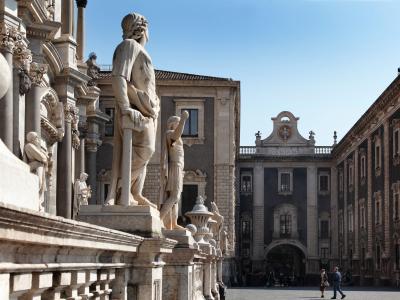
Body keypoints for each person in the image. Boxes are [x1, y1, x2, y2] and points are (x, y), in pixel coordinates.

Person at [106, 12, 159, 207]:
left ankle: (134, 192)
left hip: (147, 110)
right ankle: (122, 188)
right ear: (142, 29)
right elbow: (119, 77)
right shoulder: (129, 46)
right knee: (146, 149)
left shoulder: (138, 49)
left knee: (145, 154)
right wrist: (126, 107)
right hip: (136, 110)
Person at [159, 111, 188, 229]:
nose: (179, 125)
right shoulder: (169, 134)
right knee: (174, 196)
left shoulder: (175, 135)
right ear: (172, 125)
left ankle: (173, 223)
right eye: (177, 123)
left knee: (176, 198)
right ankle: (160, 218)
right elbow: (176, 135)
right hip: (174, 166)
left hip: (179, 168)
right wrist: (184, 120)